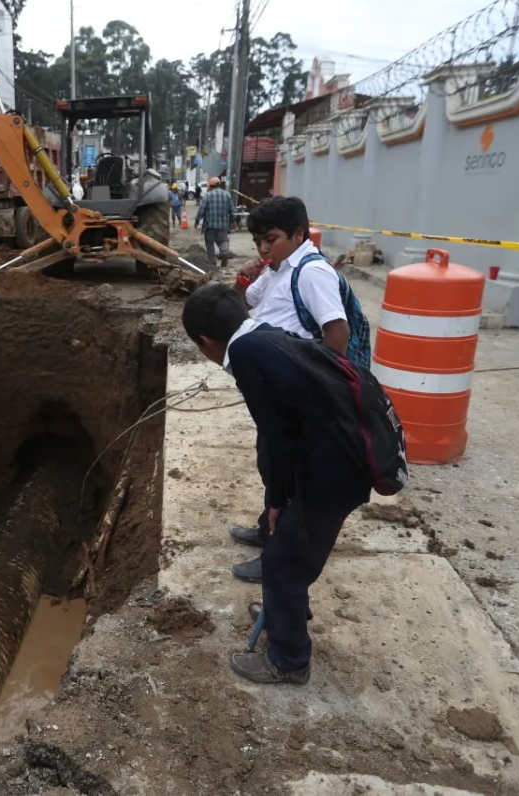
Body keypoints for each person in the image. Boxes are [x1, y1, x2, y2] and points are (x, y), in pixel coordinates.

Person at [181, 283, 372, 684]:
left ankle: (288, 661)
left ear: (205, 342)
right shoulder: (264, 335)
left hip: (334, 469)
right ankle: (285, 611)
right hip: (334, 459)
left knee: (283, 563)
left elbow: (276, 437)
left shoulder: (247, 355)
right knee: (289, 549)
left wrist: (276, 498)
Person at [227, 195, 369, 582]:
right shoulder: (278, 268)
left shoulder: (311, 272)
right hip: (277, 387)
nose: (263, 248)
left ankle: (277, 553)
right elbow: (244, 303)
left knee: (288, 473)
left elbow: (336, 332)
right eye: (257, 241)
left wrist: (315, 390)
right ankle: (266, 528)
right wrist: (244, 278)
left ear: (299, 233)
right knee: (271, 461)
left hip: (299, 393)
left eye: (270, 239)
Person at [196, 176, 233, 268]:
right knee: (223, 240)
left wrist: (197, 220)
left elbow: (201, 210)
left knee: (209, 244)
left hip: (210, 226)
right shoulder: (227, 195)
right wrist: (233, 221)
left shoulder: (208, 195)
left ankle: (213, 263)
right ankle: (224, 253)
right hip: (223, 226)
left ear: (210, 186)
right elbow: (232, 210)